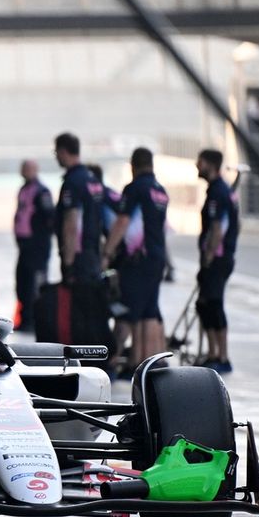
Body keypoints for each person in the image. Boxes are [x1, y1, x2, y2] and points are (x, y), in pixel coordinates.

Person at [102, 148, 169, 375]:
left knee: (129, 311)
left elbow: (122, 222)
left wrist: (107, 253)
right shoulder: (160, 191)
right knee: (148, 312)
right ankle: (143, 362)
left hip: (137, 259)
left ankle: (128, 363)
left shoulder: (135, 189)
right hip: (157, 257)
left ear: (133, 165)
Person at [195, 148, 239, 374]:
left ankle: (221, 355)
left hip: (218, 259)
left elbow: (217, 228)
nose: (196, 165)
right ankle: (213, 353)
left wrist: (209, 257)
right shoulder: (219, 190)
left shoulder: (219, 192)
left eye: (200, 162)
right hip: (216, 258)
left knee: (213, 305)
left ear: (210, 165)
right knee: (204, 305)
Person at [54, 132, 104, 284]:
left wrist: (68, 263)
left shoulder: (73, 182)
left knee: (77, 304)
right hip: (94, 253)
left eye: (56, 153)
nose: (56, 157)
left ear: (63, 152)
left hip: (78, 257)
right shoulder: (92, 179)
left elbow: (71, 223)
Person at [14, 158, 55, 332]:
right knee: (22, 281)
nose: (25, 171)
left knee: (34, 283)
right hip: (24, 246)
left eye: (28, 168)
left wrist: (40, 239)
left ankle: (35, 320)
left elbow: (50, 218)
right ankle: (25, 318)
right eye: (24, 168)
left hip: (37, 246)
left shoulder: (41, 191)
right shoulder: (24, 189)